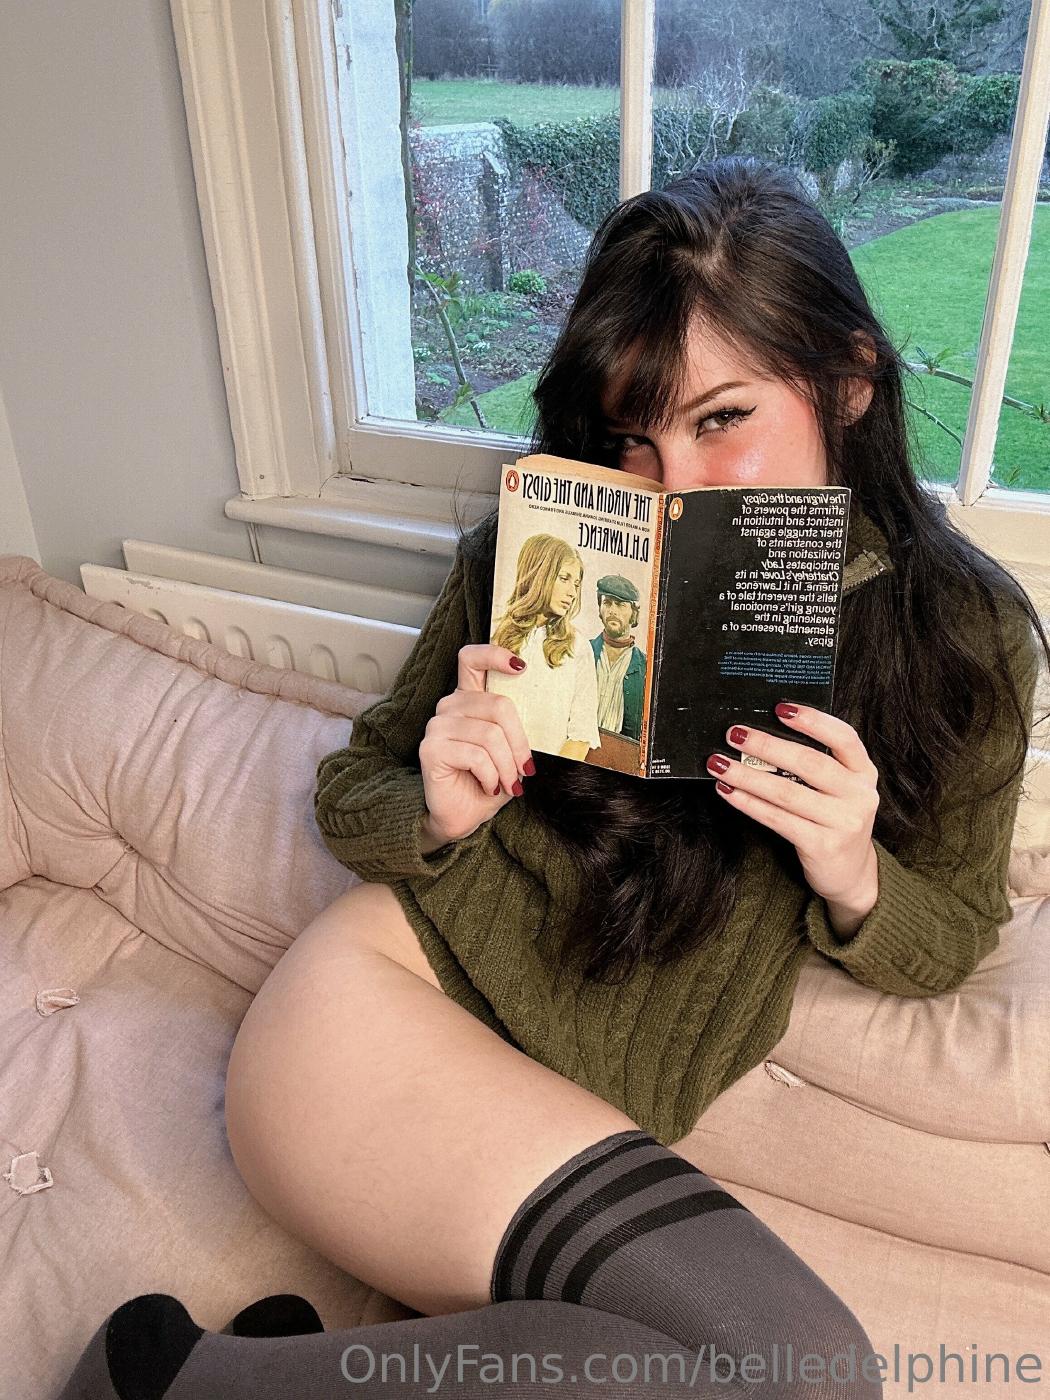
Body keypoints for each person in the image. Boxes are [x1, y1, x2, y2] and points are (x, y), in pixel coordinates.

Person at [65, 156, 1048, 1397]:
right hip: (375, 1019)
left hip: (558, 1104)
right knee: (810, 1374)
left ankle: (205, 1374)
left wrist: (854, 870)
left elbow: (951, 931)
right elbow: (354, 790)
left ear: (846, 382)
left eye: (721, 419)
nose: (670, 483)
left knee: (793, 1372)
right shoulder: (541, 551)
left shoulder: (962, 632)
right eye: (635, 436)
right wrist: (435, 805)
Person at [488, 532, 602, 759]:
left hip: (547, 775)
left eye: (576, 584)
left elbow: (580, 736)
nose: (572, 593)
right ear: (539, 574)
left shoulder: (578, 648)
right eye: (564, 578)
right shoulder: (495, 633)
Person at [589, 573, 647, 742]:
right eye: (607, 602)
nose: (612, 610)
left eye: (620, 604)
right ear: (600, 608)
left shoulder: (646, 667)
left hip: (619, 753)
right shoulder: (583, 652)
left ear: (633, 613)